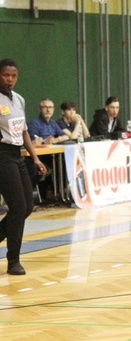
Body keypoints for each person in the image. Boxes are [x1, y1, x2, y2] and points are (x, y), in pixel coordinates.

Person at [0, 58, 47, 275]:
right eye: (5, 75)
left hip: (18, 155)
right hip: (2, 155)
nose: (10, 79)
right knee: (17, 206)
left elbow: (24, 131)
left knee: (27, 206)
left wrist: (35, 157)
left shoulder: (19, 99)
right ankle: (13, 261)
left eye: (13, 75)